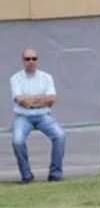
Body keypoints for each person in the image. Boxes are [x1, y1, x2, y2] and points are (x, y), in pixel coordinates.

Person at [10, 48, 66, 183]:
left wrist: (31, 100)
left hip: (43, 116)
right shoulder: (15, 78)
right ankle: (26, 176)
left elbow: (52, 99)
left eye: (34, 58)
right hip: (23, 117)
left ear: (37, 60)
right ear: (22, 61)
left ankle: (55, 174)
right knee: (17, 141)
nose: (31, 61)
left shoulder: (46, 77)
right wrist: (41, 99)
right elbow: (21, 102)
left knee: (60, 136)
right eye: (27, 59)